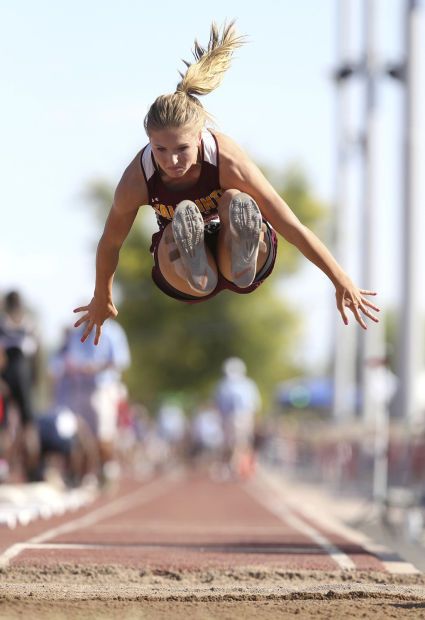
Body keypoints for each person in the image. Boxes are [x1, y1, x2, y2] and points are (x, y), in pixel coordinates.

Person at [73, 21, 380, 345]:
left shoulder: (227, 159)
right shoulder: (138, 178)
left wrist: (339, 277)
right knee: (180, 224)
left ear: (200, 135)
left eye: (182, 149)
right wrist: (102, 295)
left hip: (235, 250)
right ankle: (196, 264)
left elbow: (289, 224)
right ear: (149, 140)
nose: (171, 160)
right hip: (182, 270)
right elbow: (110, 242)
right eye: (160, 149)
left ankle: (240, 255)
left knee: (236, 199)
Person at [214, 357, 261, 478]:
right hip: (230, 417)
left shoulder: (248, 385)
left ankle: (244, 467)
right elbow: (219, 405)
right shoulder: (223, 385)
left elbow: (254, 405)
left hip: (243, 416)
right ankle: (230, 466)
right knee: (229, 443)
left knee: (243, 443)